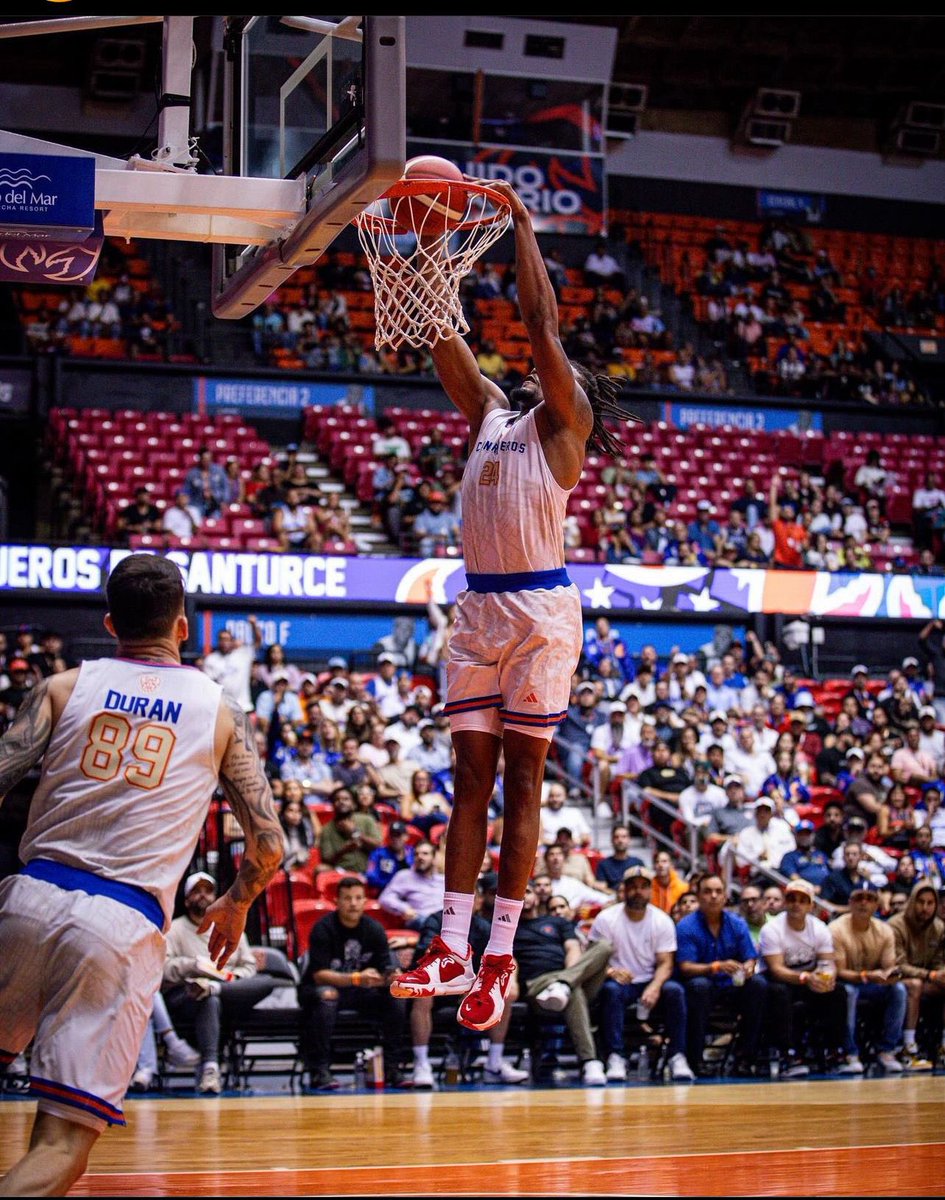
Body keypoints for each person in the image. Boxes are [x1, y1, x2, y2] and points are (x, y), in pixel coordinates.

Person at [389, 177, 634, 1035]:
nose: (537, 374)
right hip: (479, 611)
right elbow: (438, 331)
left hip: (539, 612)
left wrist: (522, 224)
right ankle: (451, 946)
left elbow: (541, 326)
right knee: (469, 785)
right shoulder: (492, 414)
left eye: (553, 374)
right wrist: (422, 250)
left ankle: (499, 956)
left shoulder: (559, 430)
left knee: (523, 783)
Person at [0, 553, 282, 1196]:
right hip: (118, 922)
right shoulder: (221, 713)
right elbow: (268, 844)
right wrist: (236, 902)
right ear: (184, 628)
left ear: (108, 623)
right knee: (63, 1142)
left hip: (28, 895)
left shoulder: (62, 687)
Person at [162, 872, 277, 1094]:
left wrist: (226, 976)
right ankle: (210, 1068)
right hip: (187, 995)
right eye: (197, 891)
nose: (203, 896)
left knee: (267, 981)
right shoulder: (174, 930)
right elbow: (162, 970)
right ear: (186, 900)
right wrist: (194, 965)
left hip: (229, 991)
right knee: (208, 999)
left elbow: (250, 967)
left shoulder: (231, 926)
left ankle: (215, 987)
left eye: (208, 891)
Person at [409, 874, 528, 1088]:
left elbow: (505, 959)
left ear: (479, 901)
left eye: (474, 896)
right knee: (422, 994)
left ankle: (495, 1062)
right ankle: (421, 1063)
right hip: (441, 985)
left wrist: (511, 980)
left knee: (507, 992)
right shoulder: (436, 920)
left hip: (471, 986)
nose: (471, 900)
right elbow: (427, 958)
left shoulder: (483, 927)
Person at [297, 875, 407, 1091]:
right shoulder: (323, 928)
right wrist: (357, 978)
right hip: (321, 989)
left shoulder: (374, 929)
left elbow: (386, 965)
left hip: (362, 993)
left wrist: (392, 975)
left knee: (397, 997)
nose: (353, 903)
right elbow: (319, 974)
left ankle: (392, 1068)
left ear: (365, 901)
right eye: (347, 898)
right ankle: (319, 1070)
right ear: (336, 902)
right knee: (327, 996)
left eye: (358, 898)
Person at [588, 866, 695, 1082]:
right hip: (618, 980)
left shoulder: (662, 920)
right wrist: (610, 971)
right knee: (610, 992)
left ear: (650, 891)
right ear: (624, 889)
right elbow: (592, 958)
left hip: (650, 979)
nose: (638, 891)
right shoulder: (606, 919)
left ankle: (677, 1055)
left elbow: (666, 963)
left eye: (644, 887)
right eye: (633, 887)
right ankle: (615, 1056)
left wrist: (654, 987)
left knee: (675, 991)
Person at [512, 879, 611, 1086]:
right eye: (518, 892)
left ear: (536, 897)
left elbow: (573, 949)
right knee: (573, 993)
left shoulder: (557, 922)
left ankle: (564, 985)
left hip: (567, 975)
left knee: (603, 946)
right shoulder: (509, 929)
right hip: (536, 985)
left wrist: (567, 978)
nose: (524, 896)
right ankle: (590, 1061)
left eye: (527, 891)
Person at [675, 873, 767, 1077]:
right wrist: (715, 967)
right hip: (700, 986)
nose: (714, 896)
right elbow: (685, 966)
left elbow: (750, 957)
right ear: (698, 896)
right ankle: (696, 1060)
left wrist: (749, 967)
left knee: (758, 985)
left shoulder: (737, 924)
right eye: (707, 891)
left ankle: (745, 1058)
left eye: (718, 891)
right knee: (700, 987)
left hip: (730, 986)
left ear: (725, 896)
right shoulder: (686, 926)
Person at [758, 878, 848, 1075]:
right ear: (784, 902)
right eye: (791, 899)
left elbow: (827, 963)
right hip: (780, 981)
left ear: (811, 905)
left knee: (838, 991)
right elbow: (776, 969)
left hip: (808, 980)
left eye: (802, 900)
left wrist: (827, 977)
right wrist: (807, 978)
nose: (796, 904)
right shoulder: (771, 930)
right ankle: (789, 1055)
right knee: (779, 993)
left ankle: (835, 1051)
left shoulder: (819, 928)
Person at [830, 879, 908, 1074]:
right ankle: (850, 1053)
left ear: (876, 904)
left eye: (869, 899)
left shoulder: (885, 930)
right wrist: (868, 975)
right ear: (850, 902)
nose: (863, 903)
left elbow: (888, 968)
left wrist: (889, 975)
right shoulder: (836, 929)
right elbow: (839, 971)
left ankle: (887, 1050)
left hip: (873, 984)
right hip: (844, 984)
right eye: (859, 898)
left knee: (899, 989)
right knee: (848, 993)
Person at [887, 880, 944, 1069]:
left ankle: (943, 1045)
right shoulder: (896, 925)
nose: (925, 908)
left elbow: (938, 961)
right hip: (898, 979)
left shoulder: (939, 928)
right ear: (912, 902)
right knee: (915, 985)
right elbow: (899, 964)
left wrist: (940, 972)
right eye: (921, 902)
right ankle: (908, 1047)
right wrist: (930, 975)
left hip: (927, 977)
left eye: (930, 903)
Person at [377, 840, 445, 931]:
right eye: (416, 854)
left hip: (442, 920)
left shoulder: (442, 880)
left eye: (425, 854)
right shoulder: (404, 876)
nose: (420, 857)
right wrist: (404, 908)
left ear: (433, 858)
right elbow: (385, 898)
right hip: (421, 919)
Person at [201, 618, 263, 715]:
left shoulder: (242, 654)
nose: (225, 642)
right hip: (222, 707)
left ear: (232, 641)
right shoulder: (211, 660)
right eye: (222, 639)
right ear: (218, 641)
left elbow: (258, 642)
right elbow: (208, 685)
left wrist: (254, 625)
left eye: (227, 639)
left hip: (243, 706)